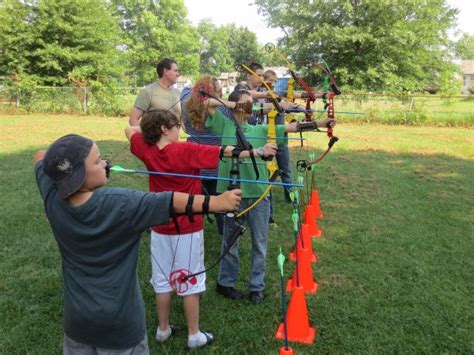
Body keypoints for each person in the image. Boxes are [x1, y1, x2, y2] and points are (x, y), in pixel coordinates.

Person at [33, 134, 242, 354]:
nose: (105, 162)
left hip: (78, 324)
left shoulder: (52, 198)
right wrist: (218, 202)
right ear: (79, 175)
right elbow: (169, 201)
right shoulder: (121, 205)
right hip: (121, 328)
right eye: (97, 161)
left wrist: (65, 166)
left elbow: (40, 157)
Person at [125, 110, 276, 348]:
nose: (180, 130)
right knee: (190, 280)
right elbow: (226, 151)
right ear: (164, 129)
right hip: (188, 226)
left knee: (163, 280)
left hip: (159, 225)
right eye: (176, 125)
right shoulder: (187, 150)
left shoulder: (147, 149)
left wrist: (145, 133)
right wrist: (257, 151)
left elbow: (129, 131)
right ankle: (194, 334)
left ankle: (162, 329)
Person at [188, 89, 336, 305]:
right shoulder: (223, 124)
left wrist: (322, 124)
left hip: (258, 194)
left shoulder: (260, 128)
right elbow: (202, 103)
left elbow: (290, 127)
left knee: (260, 242)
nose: (250, 106)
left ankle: (257, 287)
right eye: (245, 103)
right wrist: (233, 106)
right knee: (229, 242)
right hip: (230, 193)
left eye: (251, 103)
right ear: (235, 105)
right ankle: (225, 283)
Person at [129, 58, 181, 126]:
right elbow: (133, 120)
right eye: (175, 71)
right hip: (152, 136)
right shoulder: (147, 91)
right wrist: (145, 135)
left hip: (174, 136)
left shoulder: (178, 93)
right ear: (165, 71)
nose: (178, 74)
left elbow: (181, 120)